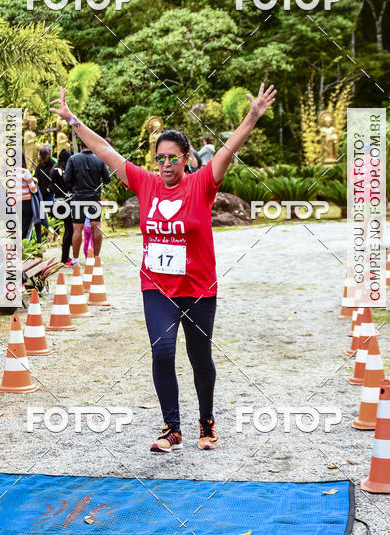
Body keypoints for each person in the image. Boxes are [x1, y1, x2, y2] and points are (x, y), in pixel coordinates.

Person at [50, 82, 276, 453]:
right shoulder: (146, 183)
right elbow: (106, 152)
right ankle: (172, 428)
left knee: (199, 356)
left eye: (173, 157)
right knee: (162, 351)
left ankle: (206, 420)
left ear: (186, 158)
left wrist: (252, 116)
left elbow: (228, 148)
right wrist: (73, 120)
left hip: (199, 287)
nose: (166, 164)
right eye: (161, 158)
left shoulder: (203, 183)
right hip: (157, 287)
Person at [63, 141, 111, 260]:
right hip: (94, 198)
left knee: (77, 229)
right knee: (97, 227)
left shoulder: (73, 159)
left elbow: (66, 179)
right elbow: (108, 179)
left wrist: (73, 186)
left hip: (78, 197)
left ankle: (75, 259)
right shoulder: (99, 159)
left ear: (80, 147)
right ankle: (96, 258)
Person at [51, 148, 74, 266]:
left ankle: (66, 256)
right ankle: (65, 258)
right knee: (69, 230)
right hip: (63, 204)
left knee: (69, 229)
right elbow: (65, 186)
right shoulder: (58, 171)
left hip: (62, 203)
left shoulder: (56, 170)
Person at [18, 154, 40, 243]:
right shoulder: (25, 172)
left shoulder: (9, 172)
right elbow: (33, 189)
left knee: (19, 226)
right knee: (26, 227)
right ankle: (25, 248)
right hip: (26, 202)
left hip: (15, 203)